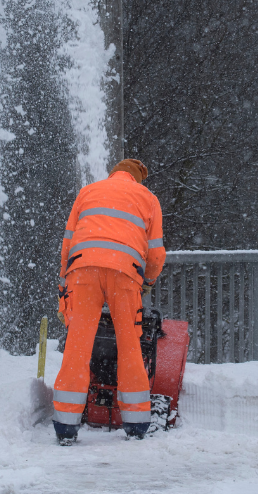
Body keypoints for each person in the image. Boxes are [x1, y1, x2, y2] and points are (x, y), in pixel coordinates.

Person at [51, 158, 166, 444]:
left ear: (114, 173)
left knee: (77, 347)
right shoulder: (148, 198)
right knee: (129, 344)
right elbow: (155, 253)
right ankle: (136, 425)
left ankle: (66, 427)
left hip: (82, 269)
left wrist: (64, 283)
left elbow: (67, 241)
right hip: (125, 272)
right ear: (138, 178)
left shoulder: (87, 191)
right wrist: (148, 282)